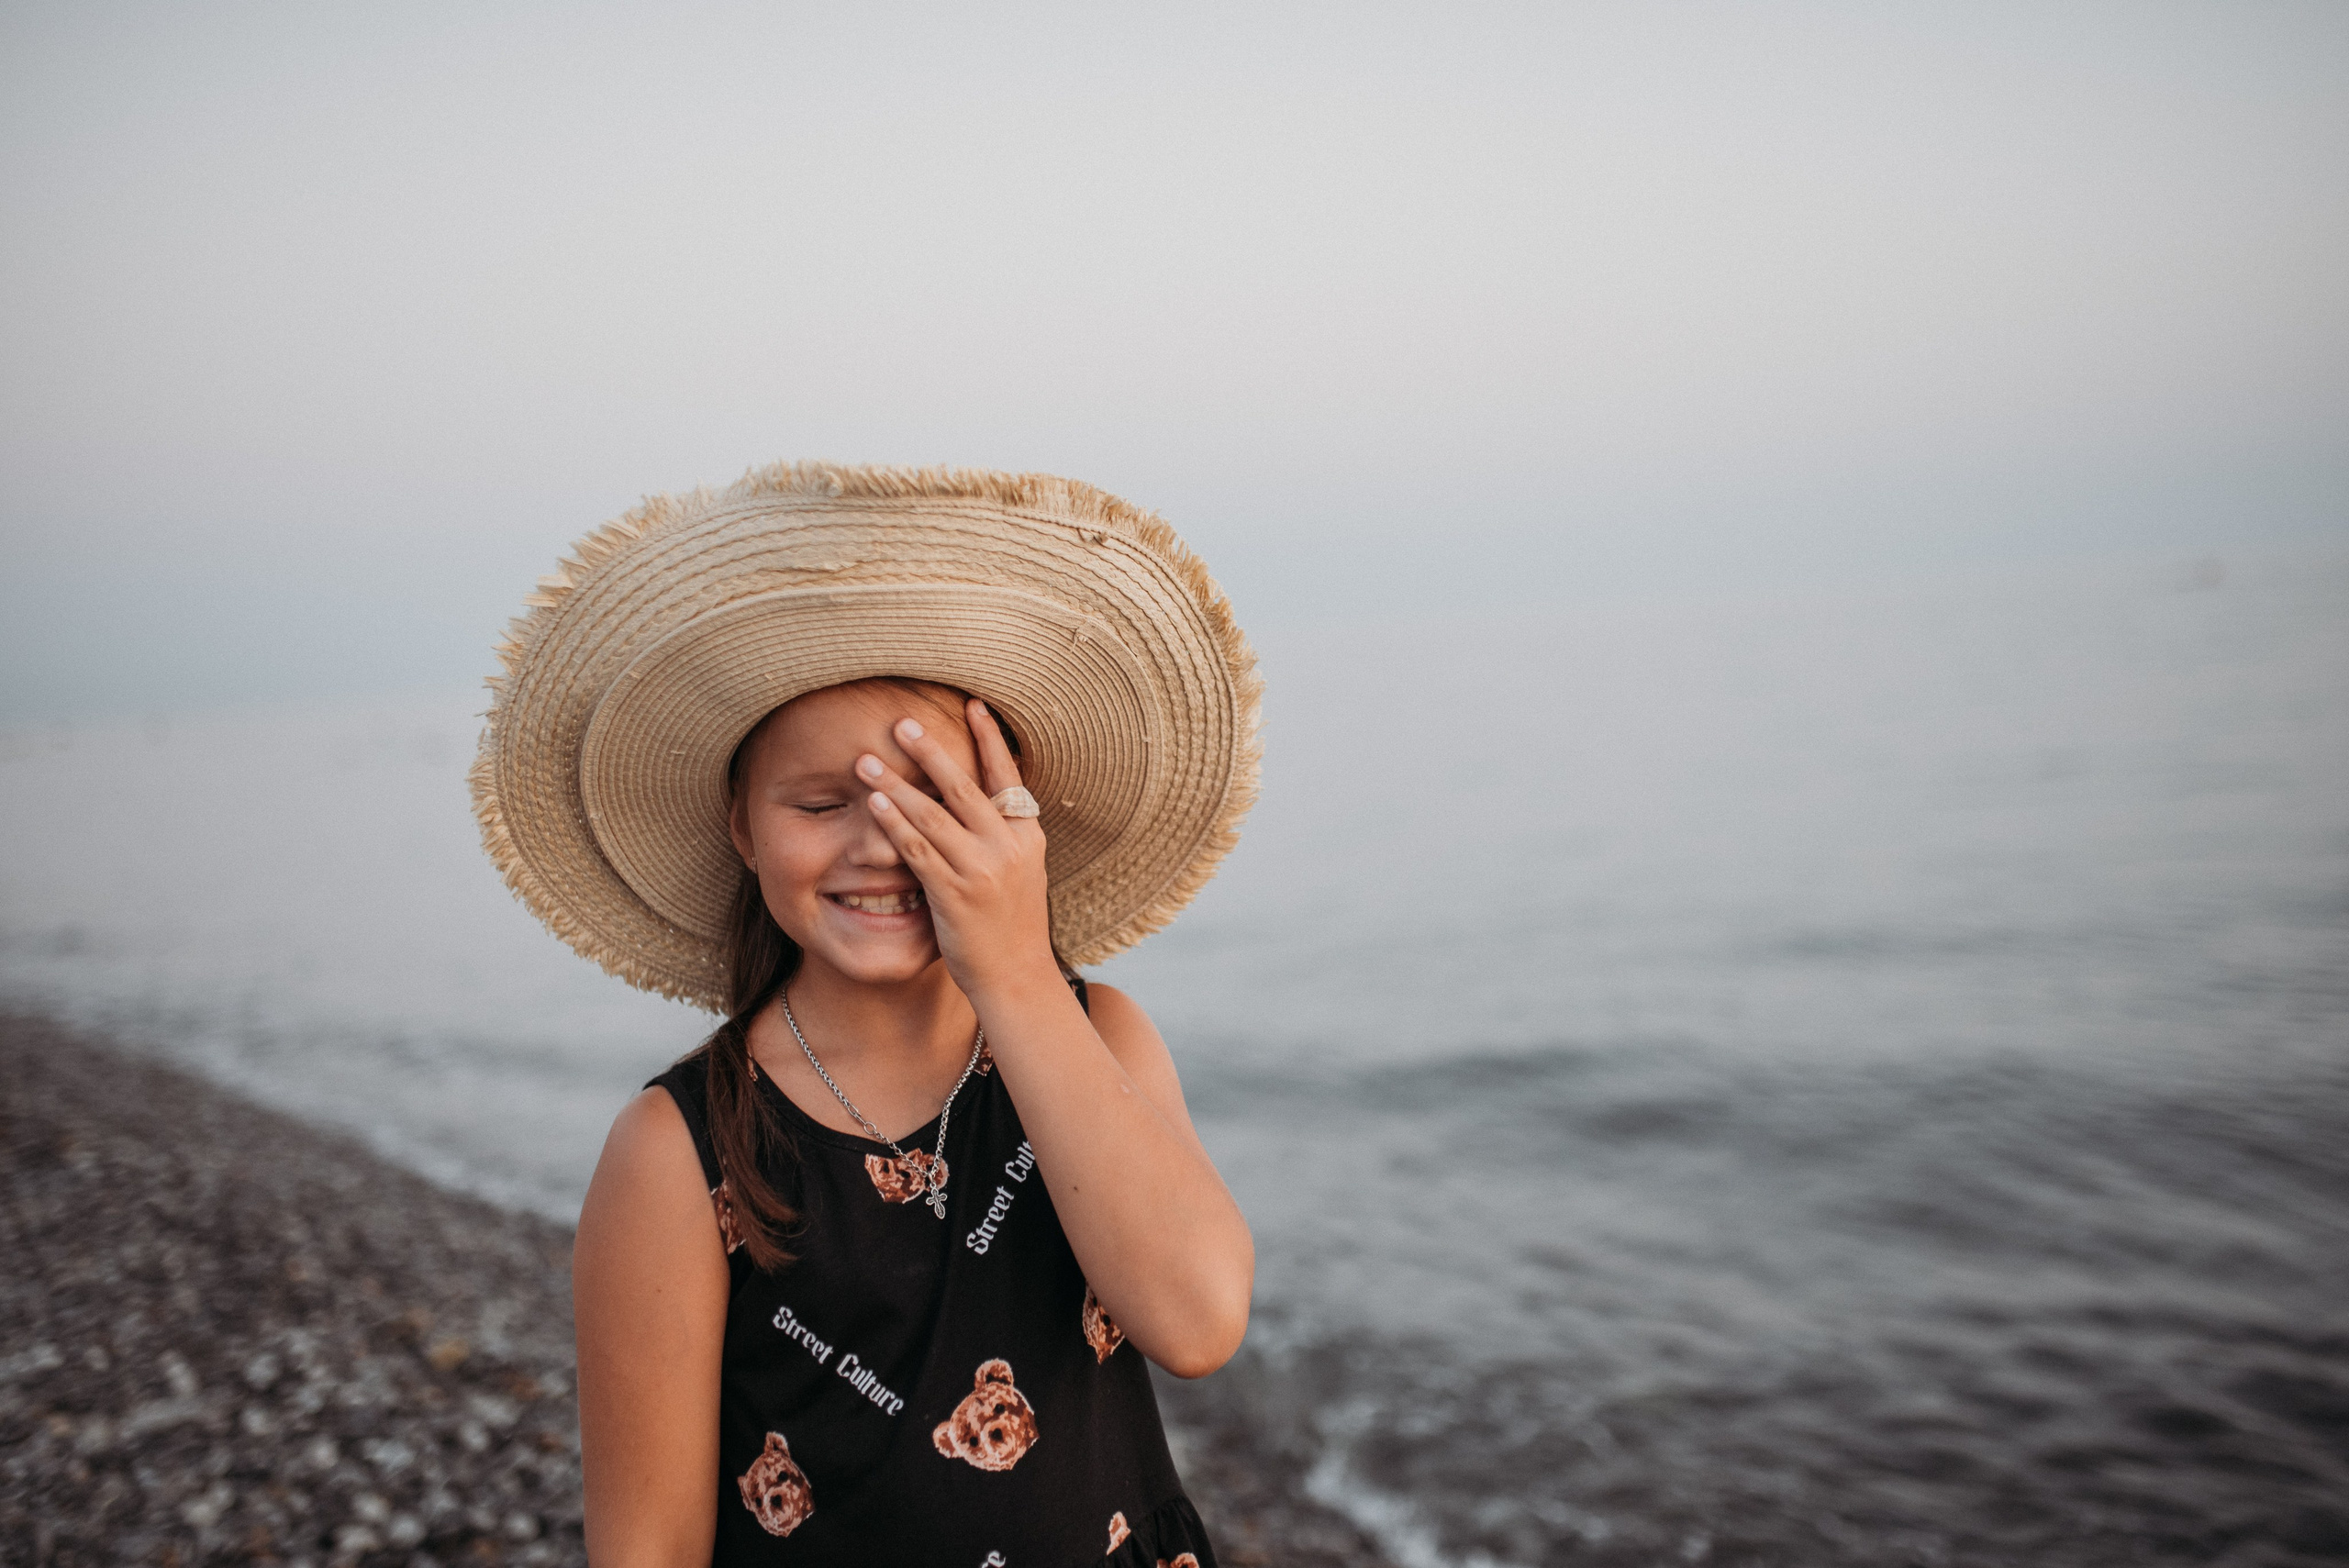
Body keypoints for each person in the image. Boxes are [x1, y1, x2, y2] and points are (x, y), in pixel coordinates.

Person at [471, 462, 1264, 1564]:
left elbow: (1197, 1318)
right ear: (743, 827)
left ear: (1011, 816)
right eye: (821, 801)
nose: (884, 844)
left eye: (932, 799)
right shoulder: (677, 1152)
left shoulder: (1100, 1036)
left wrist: (1016, 973)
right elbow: (645, 1546)